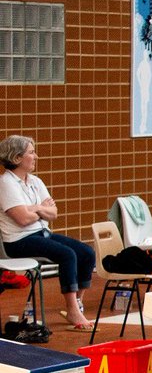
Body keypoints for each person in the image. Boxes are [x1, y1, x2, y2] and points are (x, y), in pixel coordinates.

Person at [0, 136, 96, 330]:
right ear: (17, 158)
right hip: (19, 240)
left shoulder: (35, 181)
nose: (35, 156)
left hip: (42, 233)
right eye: (31, 152)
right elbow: (22, 219)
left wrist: (34, 209)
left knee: (87, 252)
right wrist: (39, 209)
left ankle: (77, 303)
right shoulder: (6, 183)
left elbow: (53, 213)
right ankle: (72, 310)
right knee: (67, 255)